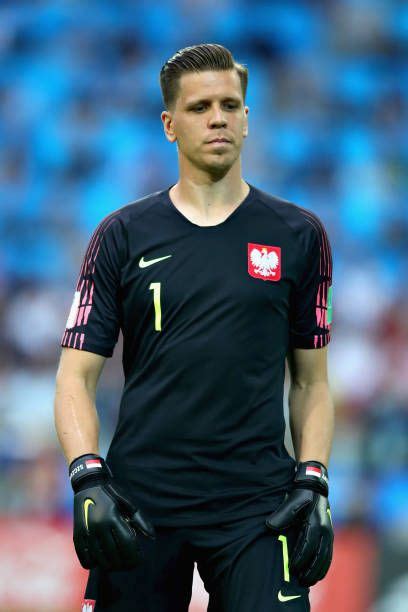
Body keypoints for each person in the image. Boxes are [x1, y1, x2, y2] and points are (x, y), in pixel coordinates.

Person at [54, 43, 334, 612]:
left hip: (257, 504)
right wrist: (87, 476)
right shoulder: (122, 236)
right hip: (141, 502)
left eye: (230, 105)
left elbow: (311, 382)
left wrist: (314, 478)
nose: (218, 118)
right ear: (169, 125)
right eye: (200, 106)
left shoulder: (299, 235)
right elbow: (75, 378)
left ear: (248, 119)